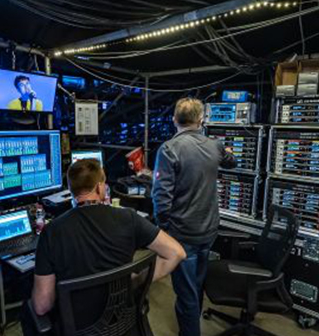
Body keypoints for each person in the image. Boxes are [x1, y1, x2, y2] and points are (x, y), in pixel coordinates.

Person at [31, 159, 186, 328]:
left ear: (71, 190)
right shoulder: (129, 218)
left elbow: (42, 305)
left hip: (78, 327)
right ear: (100, 187)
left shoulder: (51, 232)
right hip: (123, 321)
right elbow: (176, 253)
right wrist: (137, 281)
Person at [152, 97, 237, 336]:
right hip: (208, 230)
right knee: (196, 285)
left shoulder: (169, 149)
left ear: (174, 120)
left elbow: (161, 197)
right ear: (201, 120)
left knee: (186, 293)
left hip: (182, 234)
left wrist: (165, 229)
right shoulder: (215, 146)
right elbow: (232, 162)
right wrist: (227, 151)